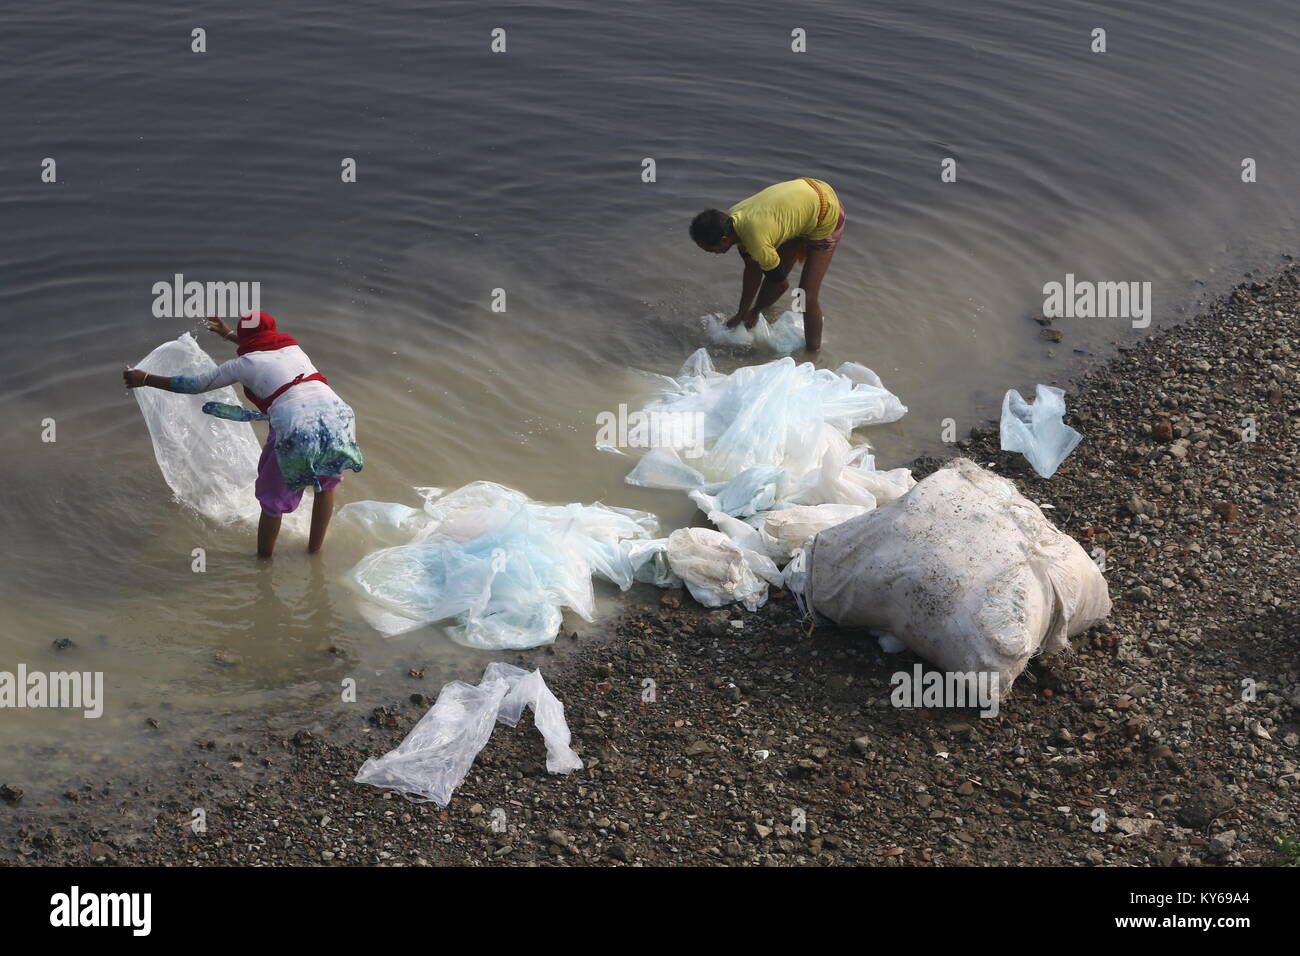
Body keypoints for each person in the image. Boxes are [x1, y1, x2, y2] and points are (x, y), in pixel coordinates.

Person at [123, 312, 363, 558]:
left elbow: (195, 385)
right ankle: (315, 552)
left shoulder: (241, 365)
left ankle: (264, 565)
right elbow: (263, 352)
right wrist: (229, 336)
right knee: (325, 484)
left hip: (296, 424)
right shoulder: (293, 348)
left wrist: (146, 379)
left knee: (272, 500)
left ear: (248, 339)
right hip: (338, 414)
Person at [690, 177, 845, 351]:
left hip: (825, 210)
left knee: (804, 294)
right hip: (804, 200)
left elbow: (781, 284)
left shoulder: (757, 241)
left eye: (710, 249)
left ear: (724, 240)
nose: (711, 254)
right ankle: (759, 315)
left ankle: (812, 354)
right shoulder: (732, 221)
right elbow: (752, 269)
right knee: (774, 270)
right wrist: (742, 312)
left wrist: (754, 310)